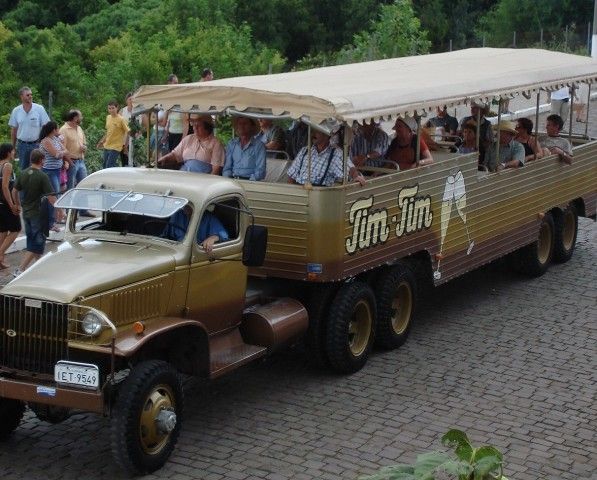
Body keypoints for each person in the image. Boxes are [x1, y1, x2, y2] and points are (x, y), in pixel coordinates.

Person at [13, 149, 57, 276]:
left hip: (26, 213)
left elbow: (14, 191)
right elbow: (51, 197)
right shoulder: (42, 176)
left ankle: (40, 268)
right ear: (42, 160)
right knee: (37, 244)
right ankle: (21, 269)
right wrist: (60, 210)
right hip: (38, 214)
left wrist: (17, 204)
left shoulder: (23, 173)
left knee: (32, 241)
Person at [287, 129, 366, 187]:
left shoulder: (336, 153)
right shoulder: (305, 151)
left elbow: (350, 168)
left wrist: (356, 176)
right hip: (299, 193)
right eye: (312, 130)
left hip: (319, 197)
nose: (313, 134)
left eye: (317, 130)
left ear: (327, 134)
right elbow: (291, 176)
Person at [158, 115, 224, 174]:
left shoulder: (216, 143)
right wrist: (164, 158)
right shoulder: (189, 138)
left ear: (207, 127)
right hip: (185, 175)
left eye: (198, 125)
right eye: (194, 125)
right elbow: (175, 154)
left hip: (202, 179)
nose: (194, 128)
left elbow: (216, 169)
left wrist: (208, 184)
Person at [8, 86, 50, 170]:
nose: (30, 96)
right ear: (21, 97)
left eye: (31, 94)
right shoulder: (16, 111)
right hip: (22, 145)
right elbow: (14, 130)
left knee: (37, 168)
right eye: (27, 95)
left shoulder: (39, 109)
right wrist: (13, 147)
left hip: (36, 144)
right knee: (23, 169)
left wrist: (43, 142)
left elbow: (46, 127)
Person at [39, 121, 71, 230]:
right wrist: (63, 152)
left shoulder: (55, 139)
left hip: (57, 170)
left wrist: (63, 152)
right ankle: (50, 223)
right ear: (53, 130)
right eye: (57, 128)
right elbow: (56, 154)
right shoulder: (46, 141)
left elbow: (65, 150)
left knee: (56, 194)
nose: (58, 131)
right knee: (53, 196)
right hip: (49, 171)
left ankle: (54, 219)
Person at [163, 206, 228, 252]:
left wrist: (213, 238)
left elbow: (223, 234)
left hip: (198, 253)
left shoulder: (209, 218)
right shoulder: (177, 215)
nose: (186, 207)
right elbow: (165, 235)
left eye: (190, 205)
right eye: (186, 204)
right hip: (177, 249)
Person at [0, 144, 21, 269]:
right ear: (8, 152)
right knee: (16, 229)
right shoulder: (7, 166)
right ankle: (0, 254)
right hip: (6, 203)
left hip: (0, 203)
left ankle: (1, 259)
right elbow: (5, 187)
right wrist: (12, 204)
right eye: (13, 151)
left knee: (2, 231)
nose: (14, 153)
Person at [96, 100, 130, 169]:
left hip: (116, 147)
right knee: (104, 166)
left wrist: (125, 146)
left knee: (109, 166)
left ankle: (109, 179)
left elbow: (128, 132)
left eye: (113, 108)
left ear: (117, 108)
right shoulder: (108, 117)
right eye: (109, 108)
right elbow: (108, 132)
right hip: (107, 145)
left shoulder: (121, 119)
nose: (111, 110)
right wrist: (101, 141)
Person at [59, 110, 88, 189]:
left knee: (84, 185)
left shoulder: (79, 128)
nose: (82, 118)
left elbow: (84, 143)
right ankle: (70, 201)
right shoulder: (63, 130)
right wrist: (69, 162)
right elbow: (61, 148)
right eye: (80, 116)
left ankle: (81, 201)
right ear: (75, 118)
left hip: (81, 161)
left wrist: (84, 147)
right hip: (71, 162)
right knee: (70, 187)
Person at [459, 102, 493, 166]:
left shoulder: (487, 124)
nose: (472, 110)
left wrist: (479, 145)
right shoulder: (465, 120)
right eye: (472, 108)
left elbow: (490, 141)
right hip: (465, 145)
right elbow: (459, 134)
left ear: (482, 110)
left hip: (480, 149)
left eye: (475, 108)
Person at [164, 74, 189, 152]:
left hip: (179, 135)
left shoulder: (182, 106)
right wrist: (165, 135)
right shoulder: (170, 104)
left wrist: (183, 141)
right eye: (175, 83)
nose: (177, 85)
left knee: (176, 157)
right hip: (171, 134)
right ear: (169, 83)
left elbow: (186, 124)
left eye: (177, 83)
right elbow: (167, 122)